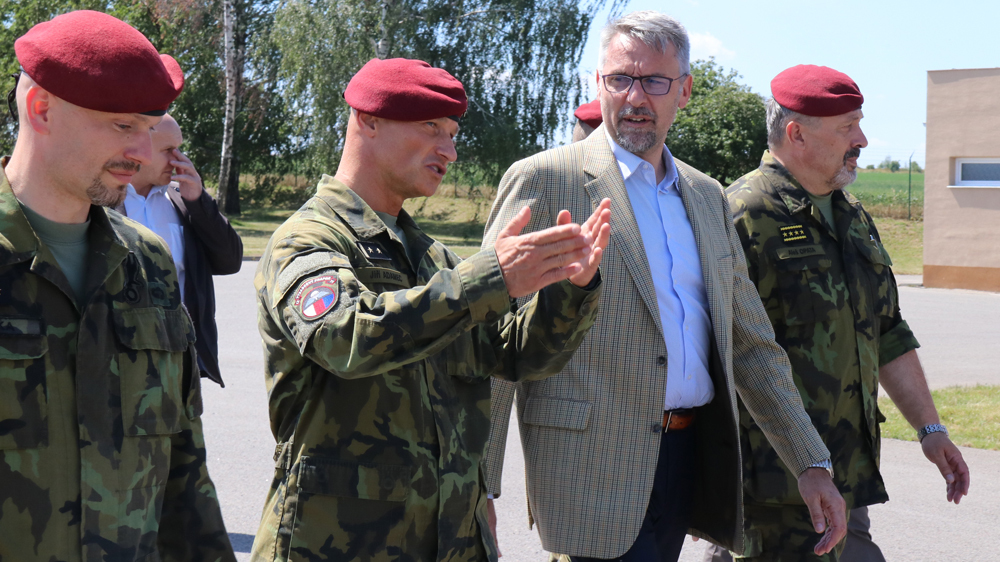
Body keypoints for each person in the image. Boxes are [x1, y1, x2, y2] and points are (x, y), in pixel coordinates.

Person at [483, 11, 847, 562]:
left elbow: (751, 344)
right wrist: (477, 482)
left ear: (684, 91)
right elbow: (491, 339)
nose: (634, 97)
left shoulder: (705, 197)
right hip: (587, 470)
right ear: (597, 83)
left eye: (654, 81)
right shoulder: (545, 179)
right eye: (619, 79)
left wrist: (810, 461)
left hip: (685, 460)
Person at [250, 57, 611, 562]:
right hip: (341, 544)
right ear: (368, 121)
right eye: (430, 128)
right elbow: (345, 338)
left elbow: (517, 357)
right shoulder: (309, 240)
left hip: (448, 542)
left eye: (453, 133)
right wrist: (487, 278)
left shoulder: (431, 256)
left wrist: (572, 288)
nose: (450, 149)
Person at [701, 64, 971, 562]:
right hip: (772, 489)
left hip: (847, 476)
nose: (862, 139)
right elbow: (715, 352)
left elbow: (887, 332)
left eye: (859, 123)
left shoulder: (851, 215)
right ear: (796, 133)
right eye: (847, 126)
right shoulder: (740, 214)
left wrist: (931, 432)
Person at [0, 10, 234, 561]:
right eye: (122, 126)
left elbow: (185, 472)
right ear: (41, 109)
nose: (141, 151)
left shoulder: (148, 263)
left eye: (149, 129)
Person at [118, 113, 243, 386]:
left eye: (180, 148)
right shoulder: (106, 198)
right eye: (168, 150)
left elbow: (230, 260)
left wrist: (199, 201)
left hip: (184, 360)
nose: (179, 159)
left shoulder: (183, 199)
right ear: (140, 147)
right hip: (122, 361)